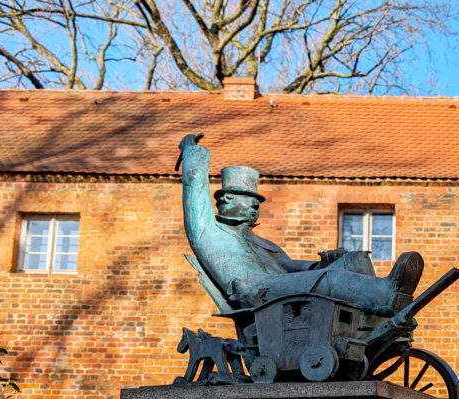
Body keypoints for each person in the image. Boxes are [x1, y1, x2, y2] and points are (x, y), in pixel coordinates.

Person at [176, 133, 423, 315]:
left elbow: (290, 266)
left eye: (257, 203)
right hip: (257, 292)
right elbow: (194, 181)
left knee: (355, 260)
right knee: (331, 280)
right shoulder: (207, 231)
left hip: (280, 288)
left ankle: (370, 316)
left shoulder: (263, 243)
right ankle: (386, 295)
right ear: (226, 199)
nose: (255, 207)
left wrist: (323, 263)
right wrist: (192, 151)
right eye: (250, 201)